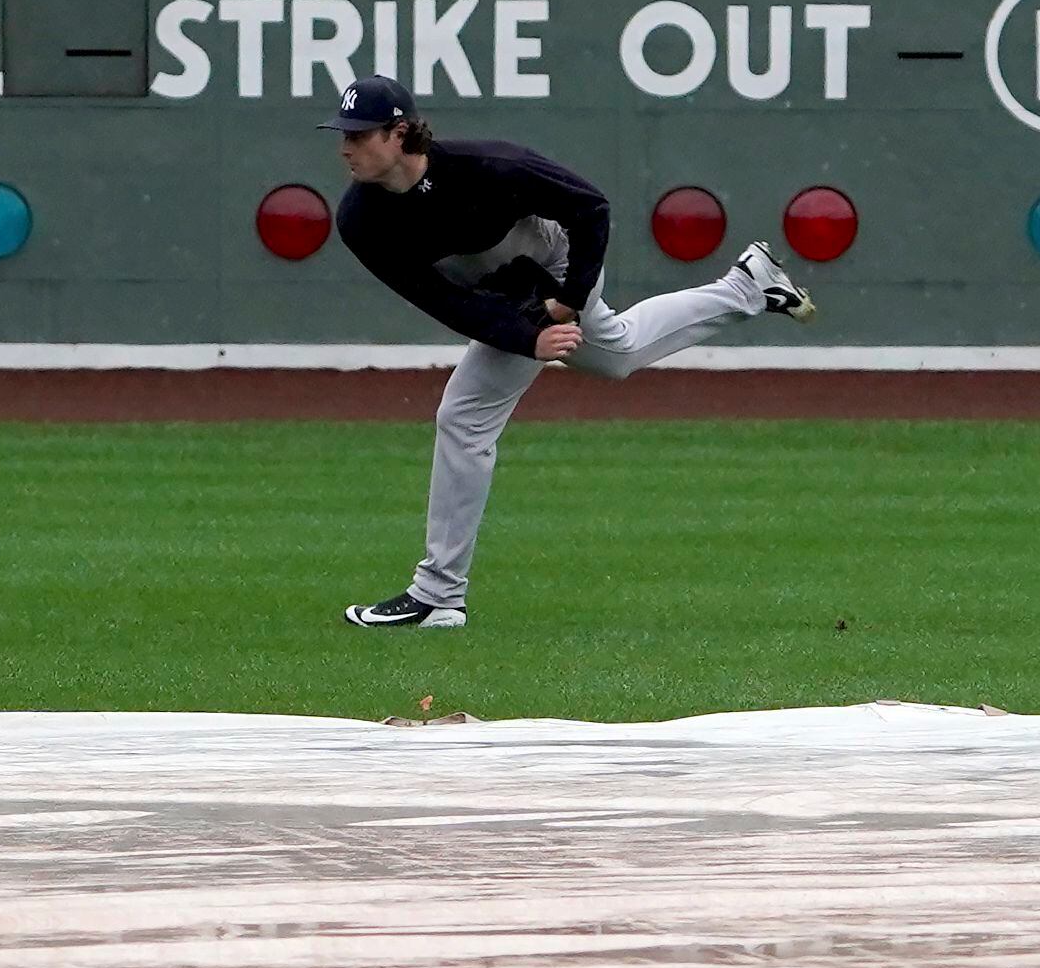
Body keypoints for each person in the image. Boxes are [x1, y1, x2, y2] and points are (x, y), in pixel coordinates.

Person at [322, 74, 815, 629]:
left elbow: (589, 208)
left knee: (464, 417)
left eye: (360, 135)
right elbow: (440, 300)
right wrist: (527, 337)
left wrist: (568, 301)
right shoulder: (361, 219)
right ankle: (747, 286)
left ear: (400, 133)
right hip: (513, 302)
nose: (345, 146)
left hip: (556, 272)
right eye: (344, 134)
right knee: (618, 354)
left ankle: (437, 594)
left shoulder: (488, 166)